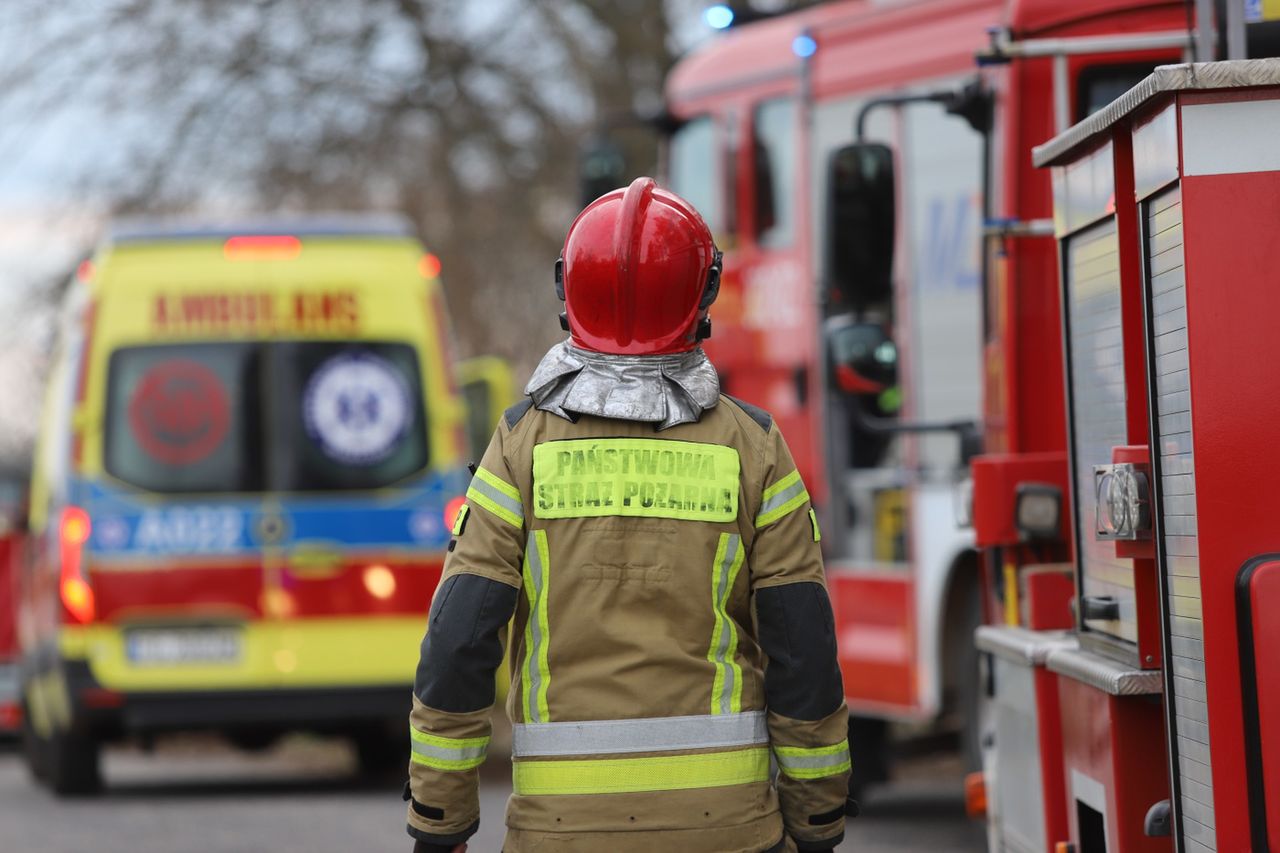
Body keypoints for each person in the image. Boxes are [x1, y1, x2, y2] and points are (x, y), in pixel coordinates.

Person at [404, 177, 850, 853]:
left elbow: (461, 638)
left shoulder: (521, 445)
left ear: (569, 291)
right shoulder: (754, 448)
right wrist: (816, 819)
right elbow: (803, 647)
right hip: (728, 829)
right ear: (702, 296)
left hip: (560, 831)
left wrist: (440, 819)